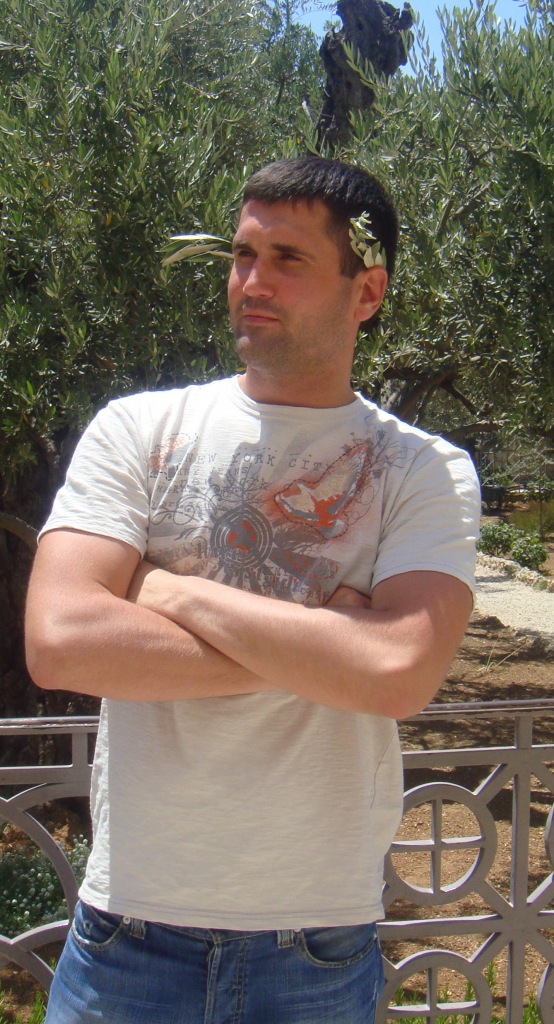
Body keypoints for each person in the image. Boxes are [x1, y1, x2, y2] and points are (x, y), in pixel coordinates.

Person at [25, 155, 480, 1024]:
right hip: (126, 937)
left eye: (288, 259)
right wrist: (327, 647)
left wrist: (168, 594)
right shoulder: (139, 429)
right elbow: (61, 641)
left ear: (367, 291)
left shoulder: (422, 469)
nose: (251, 282)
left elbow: (398, 672)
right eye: (243, 255)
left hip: (313, 947)